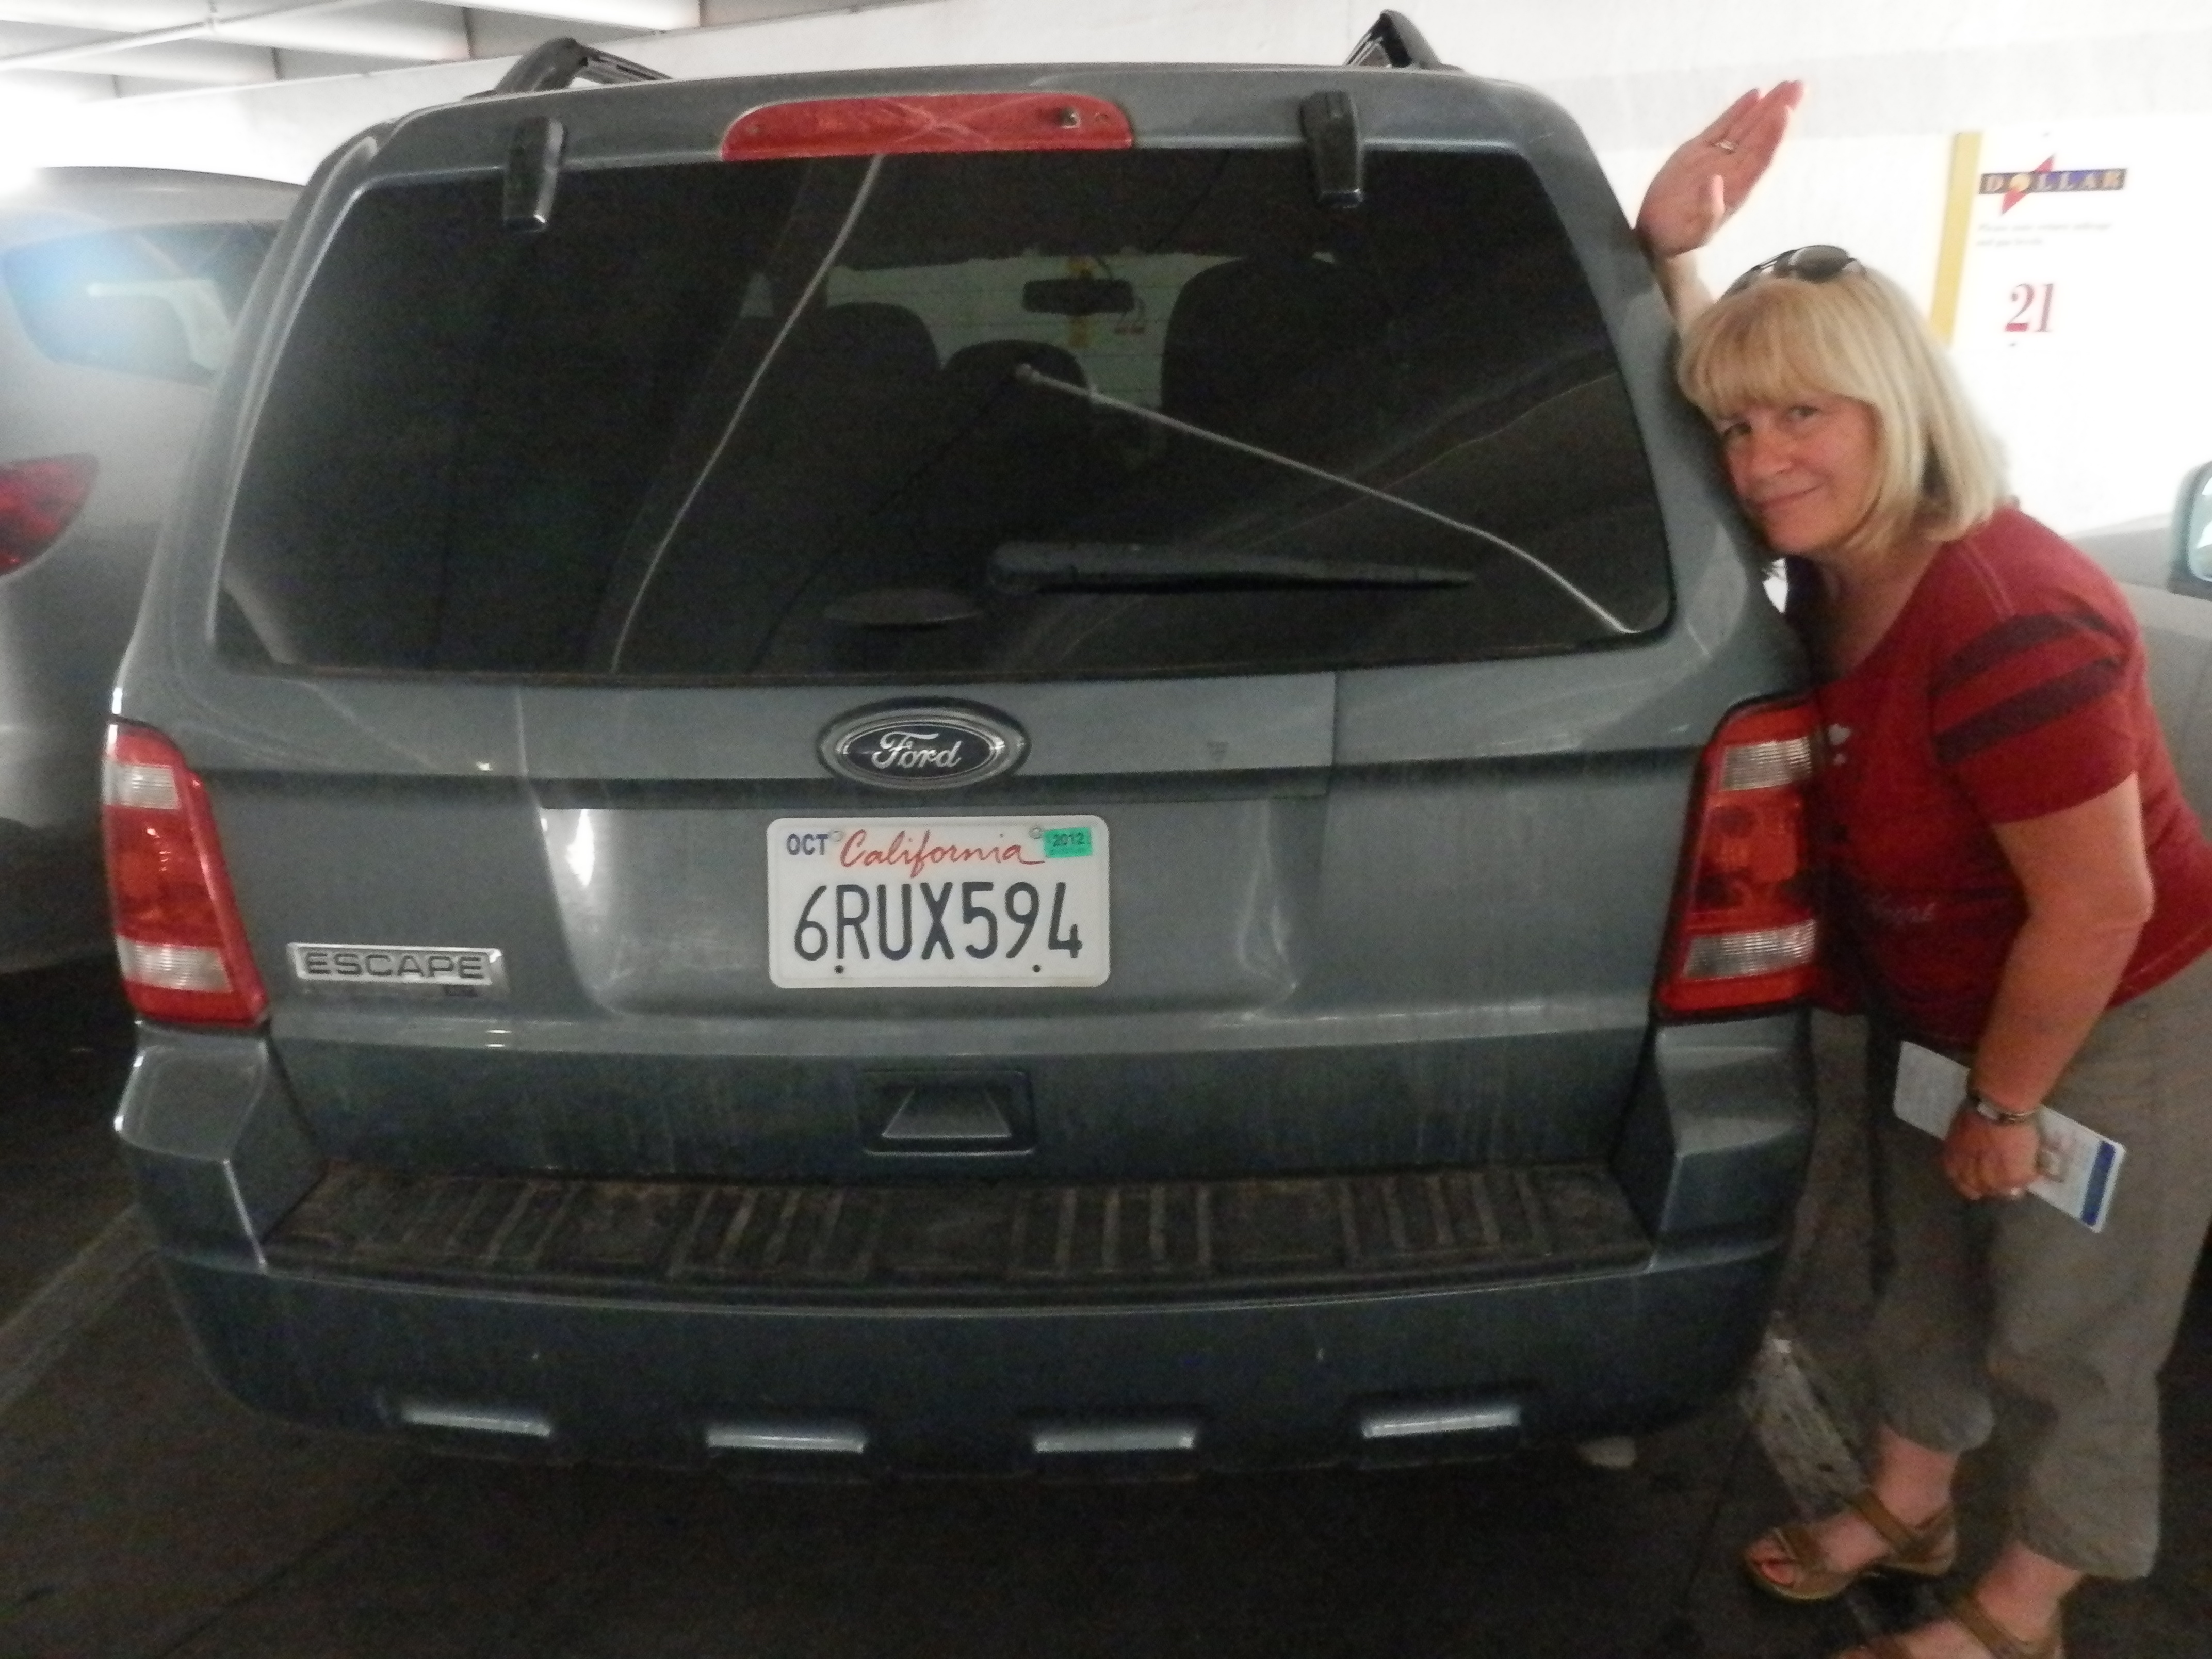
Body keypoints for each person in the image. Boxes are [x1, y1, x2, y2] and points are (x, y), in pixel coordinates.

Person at [1635, 88, 2212, 1659]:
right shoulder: (1841, 571)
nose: (1762, 461)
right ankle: (1910, 1505)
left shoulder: (2005, 614)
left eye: (1803, 419)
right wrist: (1667, 255)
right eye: (1741, 431)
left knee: (2072, 1322)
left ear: (1895, 409)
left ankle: (2028, 1604)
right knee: (1927, 1278)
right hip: (1944, 997)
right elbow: (1714, 400)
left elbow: (2099, 905)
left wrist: (2006, 1106)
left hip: (2098, 1013)